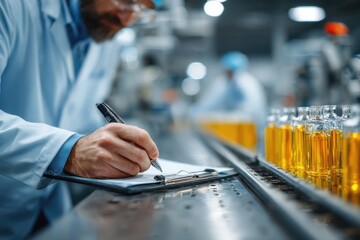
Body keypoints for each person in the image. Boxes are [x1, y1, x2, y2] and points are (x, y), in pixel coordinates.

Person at [0, 0, 162, 239]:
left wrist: (115, 145)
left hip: (47, 212)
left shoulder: (107, 41)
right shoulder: (11, 7)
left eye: (141, 11)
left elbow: (79, 118)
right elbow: (71, 145)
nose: (126, 19)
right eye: (127, 1)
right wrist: (71, 152)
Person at [191, 51, 267, 150]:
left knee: (249, 152)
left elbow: (254, 110)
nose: (226, 73)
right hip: (233, 134)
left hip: (251, 131)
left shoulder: (248, 83)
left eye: (228, 70)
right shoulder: (223, 83)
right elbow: (210, 102)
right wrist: (195, 113)